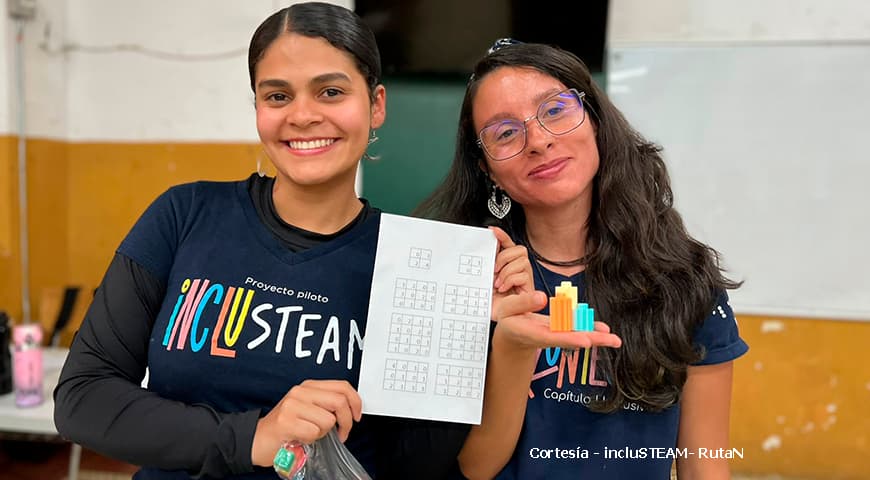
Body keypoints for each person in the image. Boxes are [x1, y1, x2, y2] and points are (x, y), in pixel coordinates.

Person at [53, 4, 525, 479]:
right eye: (277, 96)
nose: (302, 115)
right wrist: (255, 436)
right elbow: (83, 398)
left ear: (376, 104)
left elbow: (416, 464)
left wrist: (471, 333)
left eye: (331, 91)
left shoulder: (414, 263)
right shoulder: (184, 215)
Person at [416, 40, 749, 480]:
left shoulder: (686, 280)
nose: (538, 141)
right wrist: (510, 349)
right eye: (505, 133)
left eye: (554, 110)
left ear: (595, 120)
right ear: (486, 169)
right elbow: (475, 468)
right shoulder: (468, 278)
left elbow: (704, 468)